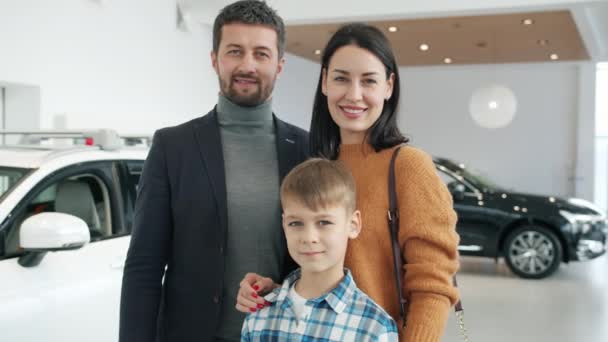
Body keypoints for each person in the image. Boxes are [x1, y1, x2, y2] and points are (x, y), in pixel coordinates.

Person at [236, 23, 460, 342]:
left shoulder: (408, 166)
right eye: (341, 78)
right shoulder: (315, 163)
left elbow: (433, 285)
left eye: (368, 81)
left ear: (389, 86)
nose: (354, 95)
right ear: (325, 80)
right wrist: (279, 293)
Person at [119, 1, 308, 341]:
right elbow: (144, 267)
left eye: (261, 54)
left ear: (279, 65)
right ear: (214, 59)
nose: (247, 65)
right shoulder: (172, 147)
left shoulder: (307, 150)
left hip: (281, 334)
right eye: (235, 51)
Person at [241, 158, 398, 341]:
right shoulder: (259, 316)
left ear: (353, 225)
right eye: (296, 223)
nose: (309, 237)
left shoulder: (374, 327)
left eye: (324, 222)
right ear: (284, 225)